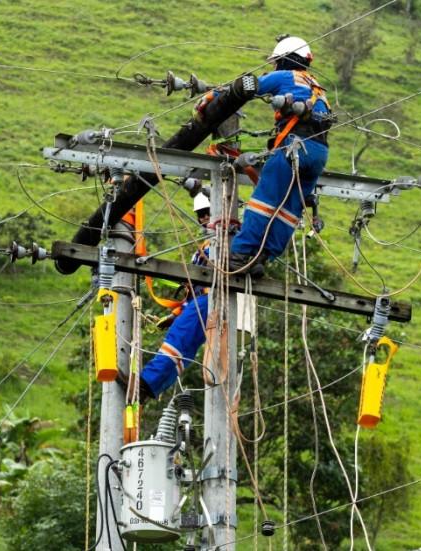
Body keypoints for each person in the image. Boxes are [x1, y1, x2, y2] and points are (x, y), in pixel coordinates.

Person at [226, 35, 332, 275]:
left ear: (285, 60)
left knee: (264, 201)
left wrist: (238, 86)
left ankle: (240, 254)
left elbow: (252, 86)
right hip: (318, 154)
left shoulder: (286, 76)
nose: (274, 67)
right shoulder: (318, 88)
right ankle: (262, 258)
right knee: (290, 210)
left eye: (276, 62)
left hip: (293, 148)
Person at [134, 193, 213, 400]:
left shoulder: (222, 242)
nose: (204, 219)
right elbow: (192, 290)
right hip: (200, 302)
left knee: (178, 340)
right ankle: (151, 388)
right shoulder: (206, 246)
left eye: (207, 213)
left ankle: (147, 382)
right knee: (183, 350)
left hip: (207, 301)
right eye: (200, 215)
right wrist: (176, 314)